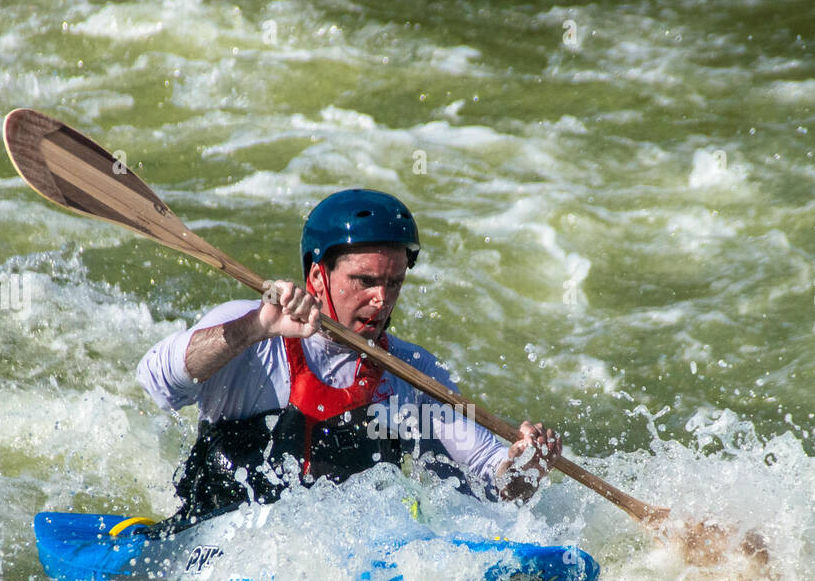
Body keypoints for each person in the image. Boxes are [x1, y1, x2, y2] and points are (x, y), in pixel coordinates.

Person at [136, 189, 562, 531]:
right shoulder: (249, 331)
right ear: (318, 276)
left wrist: (526, 465)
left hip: (340, 569)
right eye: (365, 280)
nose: (382, 298)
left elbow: (493, 483)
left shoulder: (412, 374)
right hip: (218, 537)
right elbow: (157, 382)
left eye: (394, 282)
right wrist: (255, 327)